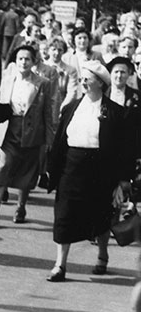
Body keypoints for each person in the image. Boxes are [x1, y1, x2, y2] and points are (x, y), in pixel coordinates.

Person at [46, 62, 134, 282]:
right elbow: (59, 142)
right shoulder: (72, 107)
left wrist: (123, 179)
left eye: (88, 78)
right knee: (64, 215)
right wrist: (52, 169)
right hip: (71, 168)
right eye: (82, 78)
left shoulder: (115, 112)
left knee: (101, 215)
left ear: (100, 83)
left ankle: (102, 255)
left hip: (101, 170)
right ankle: (60, 264)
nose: (83, 82)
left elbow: (125, 149)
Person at [0, 45, 55, 226]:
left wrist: (48, 140)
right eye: (20, 58)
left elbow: (49, 112)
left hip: (32, 132)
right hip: (9, 129)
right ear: (15, 61)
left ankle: (21, 207)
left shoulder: (43, 83)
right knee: (2, 167)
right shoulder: (8, 80)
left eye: (27, 59)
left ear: (33, 62)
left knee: (27, 171)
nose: (23, 62)